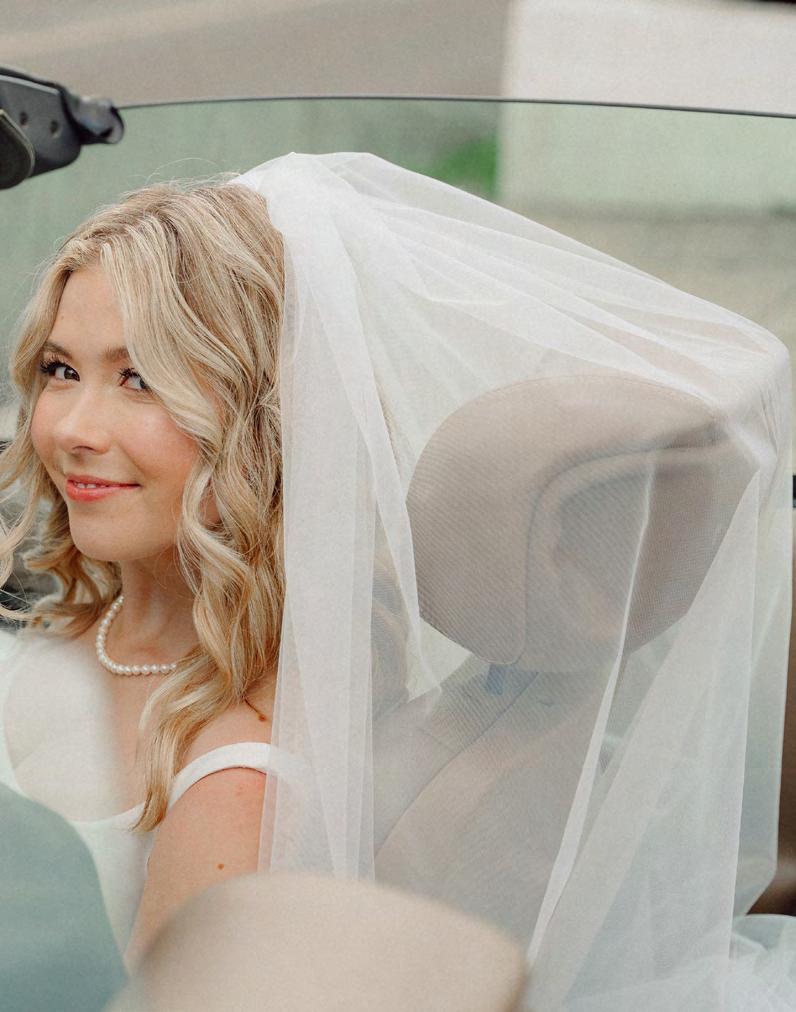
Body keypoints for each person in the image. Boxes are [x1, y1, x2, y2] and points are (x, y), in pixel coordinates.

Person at [0, 150, 794, 1009]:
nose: (72, 428)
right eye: (61, 370)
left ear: (263, 422)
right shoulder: (87, 629)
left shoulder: (237, 780)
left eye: (140, 380)